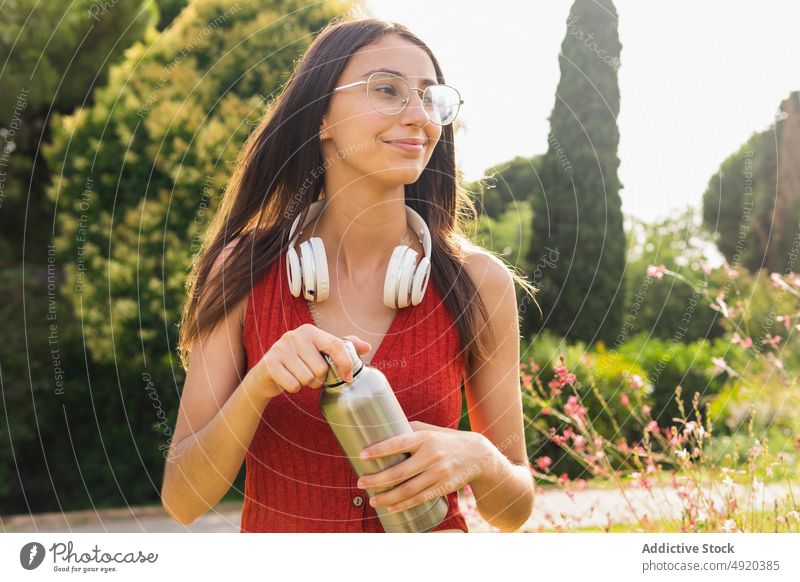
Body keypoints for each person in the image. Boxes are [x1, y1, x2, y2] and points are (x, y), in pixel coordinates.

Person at [161, 15, 538, 533]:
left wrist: (480, 456)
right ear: (322, 117)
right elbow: (182, 500)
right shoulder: (243, 269)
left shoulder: (480, 283)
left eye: (430, 99)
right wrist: (259, 384)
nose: (419, 117)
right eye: (387, 90)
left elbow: (513, 509)